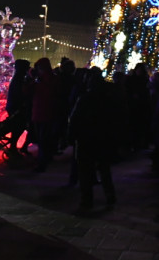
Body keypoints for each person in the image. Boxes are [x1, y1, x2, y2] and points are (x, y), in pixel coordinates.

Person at [67, 67, 119, 215]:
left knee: (85, 170)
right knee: (103, 168)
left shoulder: (85, 98)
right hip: (102, 138)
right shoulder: (108, 98)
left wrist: (71, 136)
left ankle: (87, 199)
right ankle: (110, 195)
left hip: (86, 138)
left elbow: (75, 119)